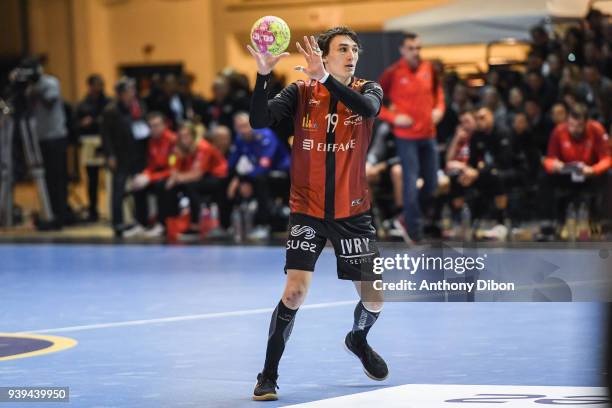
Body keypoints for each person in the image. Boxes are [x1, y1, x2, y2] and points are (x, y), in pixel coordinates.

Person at [247, 27, 387, 401]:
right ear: (323, 55)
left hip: (353, 212)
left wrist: (326, 79)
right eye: (342, 49)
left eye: (354, 49)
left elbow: (369, 110)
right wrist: (263, 74)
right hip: (307, 209)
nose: (351, 54)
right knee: (293, 294)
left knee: (374, 299)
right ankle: (268, 376)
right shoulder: (300, 92)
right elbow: (259, 121)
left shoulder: (368, 88)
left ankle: (357, 339)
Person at [378, 32, 445, 243]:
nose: (416, 52)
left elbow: (439, 96)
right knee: (410, 181)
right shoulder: (393, 73)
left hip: (429, 135)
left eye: (418, 48)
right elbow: (374, 102)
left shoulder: (429, 69)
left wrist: (439, 110)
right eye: (411, 48)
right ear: (402, 50)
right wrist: (394, 118)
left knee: (432, 184)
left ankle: (406, 219)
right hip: (406, 136)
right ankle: (414, 231)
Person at [16, 57, 69, 230]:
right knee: (46, 179)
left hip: (56, 136)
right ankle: (49, 213)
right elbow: (19, 108)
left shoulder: (50, 82)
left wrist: (35, 87)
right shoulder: (29, 88)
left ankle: (60, 217)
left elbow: (49, 102)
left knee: (57, 178)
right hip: (39, 138)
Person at [227, 112, 290, 240]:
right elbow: (231, 164)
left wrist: (243, 180)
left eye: (245, 126)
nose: (243, 130)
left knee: (260, 180)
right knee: (226, 181)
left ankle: (263, 225)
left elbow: (264, 166)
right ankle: (228, 224)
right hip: (256, 174)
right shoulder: (240, 139)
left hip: (281, 173)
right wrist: (237, 179)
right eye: (239, 127)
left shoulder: (266, 136)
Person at [543, 104, 610, 222]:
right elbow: (549, 158)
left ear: (586, 122)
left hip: (590, 173)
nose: (574, 129)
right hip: (567, 173)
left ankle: (604, 220)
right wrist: (555, 165)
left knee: (609, 175)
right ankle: (553, 221)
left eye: (579, 125)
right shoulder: (558, 131)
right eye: (571, 125)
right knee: (544, 176)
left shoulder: (596, 129)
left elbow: (607, 158)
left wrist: (594, 169)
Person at [101, 77, 149, 236]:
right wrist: (110, 155)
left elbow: (143, 126)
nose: (132, 93)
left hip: (137, 154)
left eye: (133, 90)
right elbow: (106, 135)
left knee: (139, 188)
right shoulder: (111, 110)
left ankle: (142, 220)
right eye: (129, 91)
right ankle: (118, 223)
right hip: (120, 155)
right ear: (121, 94)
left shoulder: (138, 107)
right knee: (118, 190)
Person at [164, 122, 228, 240]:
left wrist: (176, 178)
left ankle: (195, 226)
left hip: (218, 176)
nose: (184, 140)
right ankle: (169, 224)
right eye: (181, 136)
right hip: (200, 176)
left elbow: (197, 175)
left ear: (193, 136)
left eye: (187, 136)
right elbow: (173, 167)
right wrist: (176, 162)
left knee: (190, 186)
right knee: (169, 187)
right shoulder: (179, 149)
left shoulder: (203, 147)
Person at [124, 112, 176, 238]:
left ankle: (161, 224)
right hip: (157, 173)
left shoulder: (173, 140)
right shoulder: (151, 141)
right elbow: (152, 165)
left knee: (160, 186)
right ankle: (141, 223)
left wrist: (150, 177)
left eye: (157, 125)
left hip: (171, 175)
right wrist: (144, 175)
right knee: (138, 184)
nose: (154, 129)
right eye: (151, 126)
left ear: (165, 125)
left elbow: (173, 168)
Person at [76, 74, 110, 221]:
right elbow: (75, 125)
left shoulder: (109, 102)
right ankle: (93, 209)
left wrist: (98, 121)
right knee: (92, 179)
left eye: (100, 84)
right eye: (95, 85)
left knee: (110, 177)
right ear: (89, 86)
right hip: (89, 141)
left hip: (106, 141)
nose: (98, 88)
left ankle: (112, 209)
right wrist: (83, 124)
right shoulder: (83, 104)